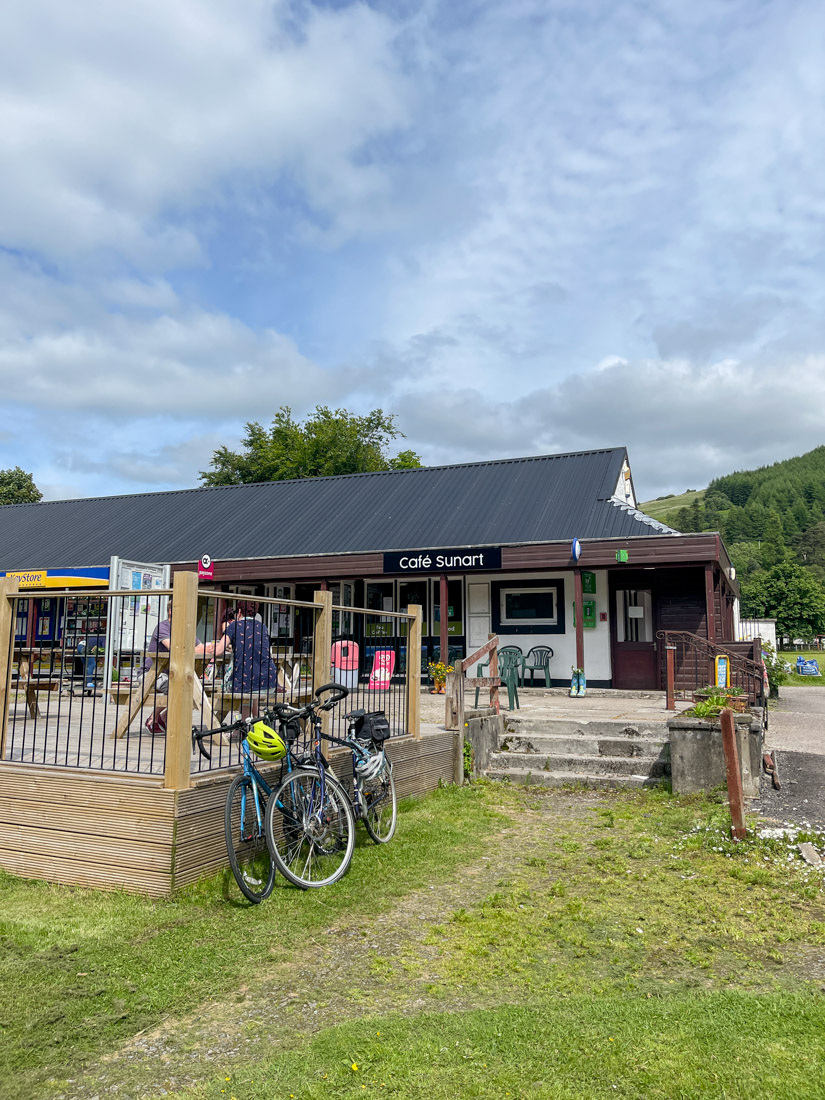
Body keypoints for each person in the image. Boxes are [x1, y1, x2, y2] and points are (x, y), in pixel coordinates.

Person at [207, 599, 282, 716]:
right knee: (252, 682)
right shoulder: (263, 627)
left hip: (244, 683)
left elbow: (219, 650)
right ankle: (253, 720)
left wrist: (210, 648)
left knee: (245, 682)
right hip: (269, 682)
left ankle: (244, 725)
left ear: (240, 612)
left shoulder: (234, 626)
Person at [144, 603, 210, 733]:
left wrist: (199, 648)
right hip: (152, 672)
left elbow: (201, 647)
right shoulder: (163, 627)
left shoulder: (184, 628)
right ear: (170, 611)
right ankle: (154, 718)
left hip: (172, 673)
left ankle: (161, 717)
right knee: (176, 687)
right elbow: (174, 648)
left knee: (190, 688)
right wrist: (195, 649)